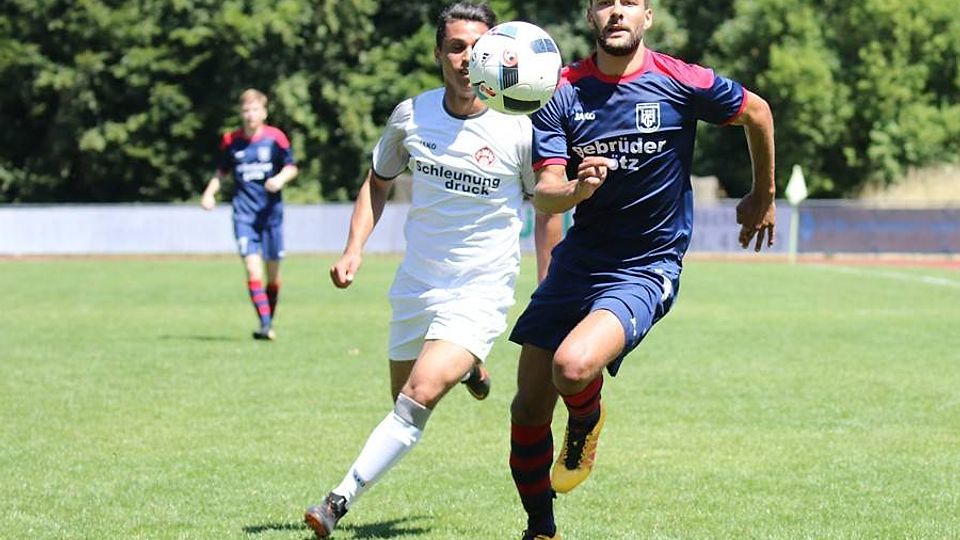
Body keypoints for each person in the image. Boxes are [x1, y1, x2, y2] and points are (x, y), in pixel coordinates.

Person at [507, 1, 777, 538]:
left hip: (646, 265)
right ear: (590, 15)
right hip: (578, 263)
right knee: (528, 408)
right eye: (604, 3)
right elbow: (547, 193)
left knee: (572, 368)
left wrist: (763, 193)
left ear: (647, 17)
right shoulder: (561, 92)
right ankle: (541, 530)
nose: (616, 12)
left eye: (628, 2)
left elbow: (758, 111)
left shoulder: (681, 80)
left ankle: (586, 419)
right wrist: (578, 188)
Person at [303, 3, 562, 538]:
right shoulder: (412, 116)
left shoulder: (520, 128)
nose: (467, 58)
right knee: (401, 397)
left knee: (417, 397)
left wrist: (548, 284)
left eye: (478, 48)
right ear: (439, 53)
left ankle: (336, 500)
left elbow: (546, 210)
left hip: (481, 288)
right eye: (456, 47)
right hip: (417, 283)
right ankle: (468, 369)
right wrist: (353, 249)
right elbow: (377, 181)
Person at [201, 89, 298, 341]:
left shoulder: (275, 138)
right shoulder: (231, 141)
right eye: (245, 110)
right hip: (244, 215)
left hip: (271, 216)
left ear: (263, 112)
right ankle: (265, 325)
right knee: (253, 270)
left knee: (273, 275)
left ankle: (268, 321)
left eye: (254, 110)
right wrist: (209, 193)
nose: (250, 115)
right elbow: (221, 172)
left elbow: (291, 167)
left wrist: (279, 179)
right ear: (240, 113)